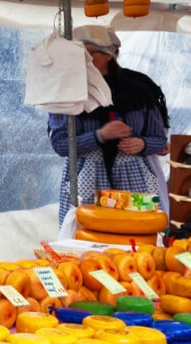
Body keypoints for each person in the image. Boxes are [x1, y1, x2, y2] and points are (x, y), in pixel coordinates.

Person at [48, 25, 169, 224]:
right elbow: (61, 145)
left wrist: (142, 144)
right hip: (88, 178)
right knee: (88, 236)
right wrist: (99, 136)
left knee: (138, 232)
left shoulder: (138, 91)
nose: (82, 60)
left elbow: (159, 139)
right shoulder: (66, 93)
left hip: (134, 177)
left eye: (89, 54)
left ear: (108, 55)